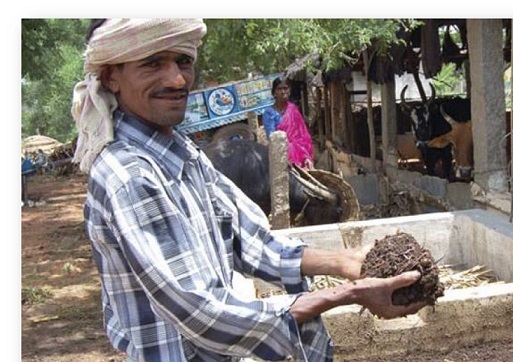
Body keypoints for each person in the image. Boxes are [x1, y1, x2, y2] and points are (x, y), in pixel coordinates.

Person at [72, 18, 427, 362]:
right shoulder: (130, 175)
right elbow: (202, 312)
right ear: (110, 76)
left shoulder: (182, 153)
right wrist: (349, 294)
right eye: (152, 64)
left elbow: (247, 240)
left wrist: (346, 262)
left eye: (183, 61)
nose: (178, 79)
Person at [263, 77, 315, 169]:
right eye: (279, 89)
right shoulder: (269, 113)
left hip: (300, 155)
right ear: (274, 93)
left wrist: (305, 155)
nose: (283, 92)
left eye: (285, 88)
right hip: (281, 155)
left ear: (289, 91)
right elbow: (272, 137)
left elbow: (303, 136)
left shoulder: (293, 109)